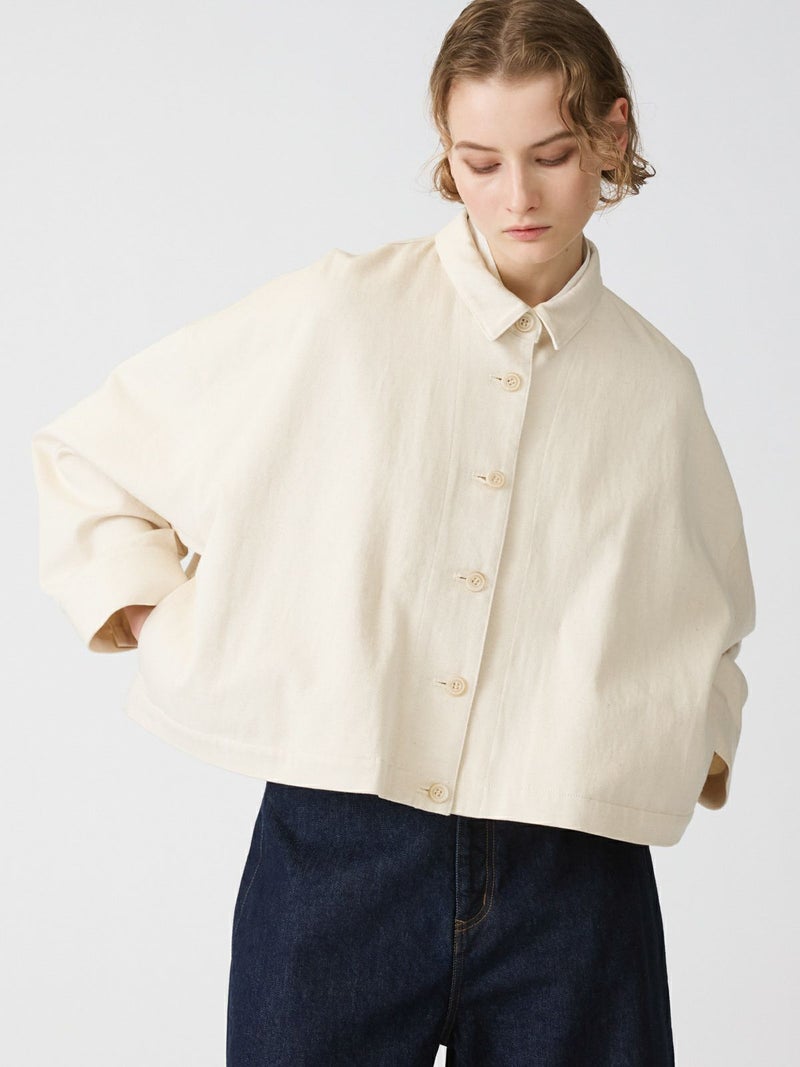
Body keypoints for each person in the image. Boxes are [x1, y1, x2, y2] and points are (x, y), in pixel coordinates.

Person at [31, 1, 756, 1063]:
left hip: (575, 875)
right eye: (478, 162)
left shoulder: (657, 385)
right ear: (445, 152)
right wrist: (181, 628)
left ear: (613, 133)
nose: (515, 196)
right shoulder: (341, 313)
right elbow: (93, 456)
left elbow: (713, 621)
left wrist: (669, 744)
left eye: (552, 155)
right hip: (339, 854)